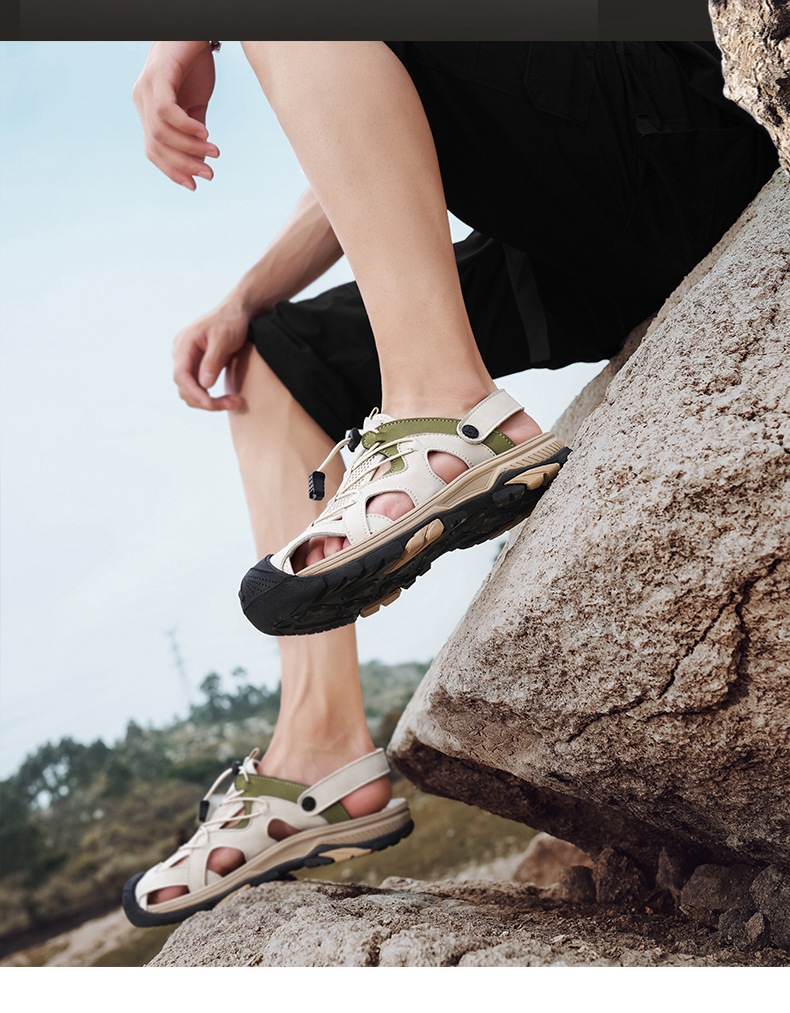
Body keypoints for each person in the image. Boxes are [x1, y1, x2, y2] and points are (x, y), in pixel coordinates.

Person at [123, 41, 778, 926]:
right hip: (584, 222)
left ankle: (440, 403)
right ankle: (319, 751)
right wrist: (244, 300)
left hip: (691, 120)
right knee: (273, 362)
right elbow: (376, 111)